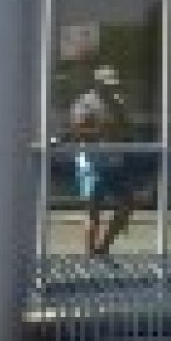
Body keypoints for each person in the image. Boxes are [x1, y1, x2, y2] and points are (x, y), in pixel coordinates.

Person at [68, 63, 135, 258]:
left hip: (115, 161)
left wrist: (122, 130)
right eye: (107, 85)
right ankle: (90, 254)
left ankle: (104, 247)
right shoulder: (85, 103)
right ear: (97, 83)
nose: (111, 89)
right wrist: (101, 130)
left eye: (113, 85)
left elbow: (127, 129)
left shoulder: (118, 102)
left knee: (127, 203)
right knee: (93, 210)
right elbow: (76, 131)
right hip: (91, 162)